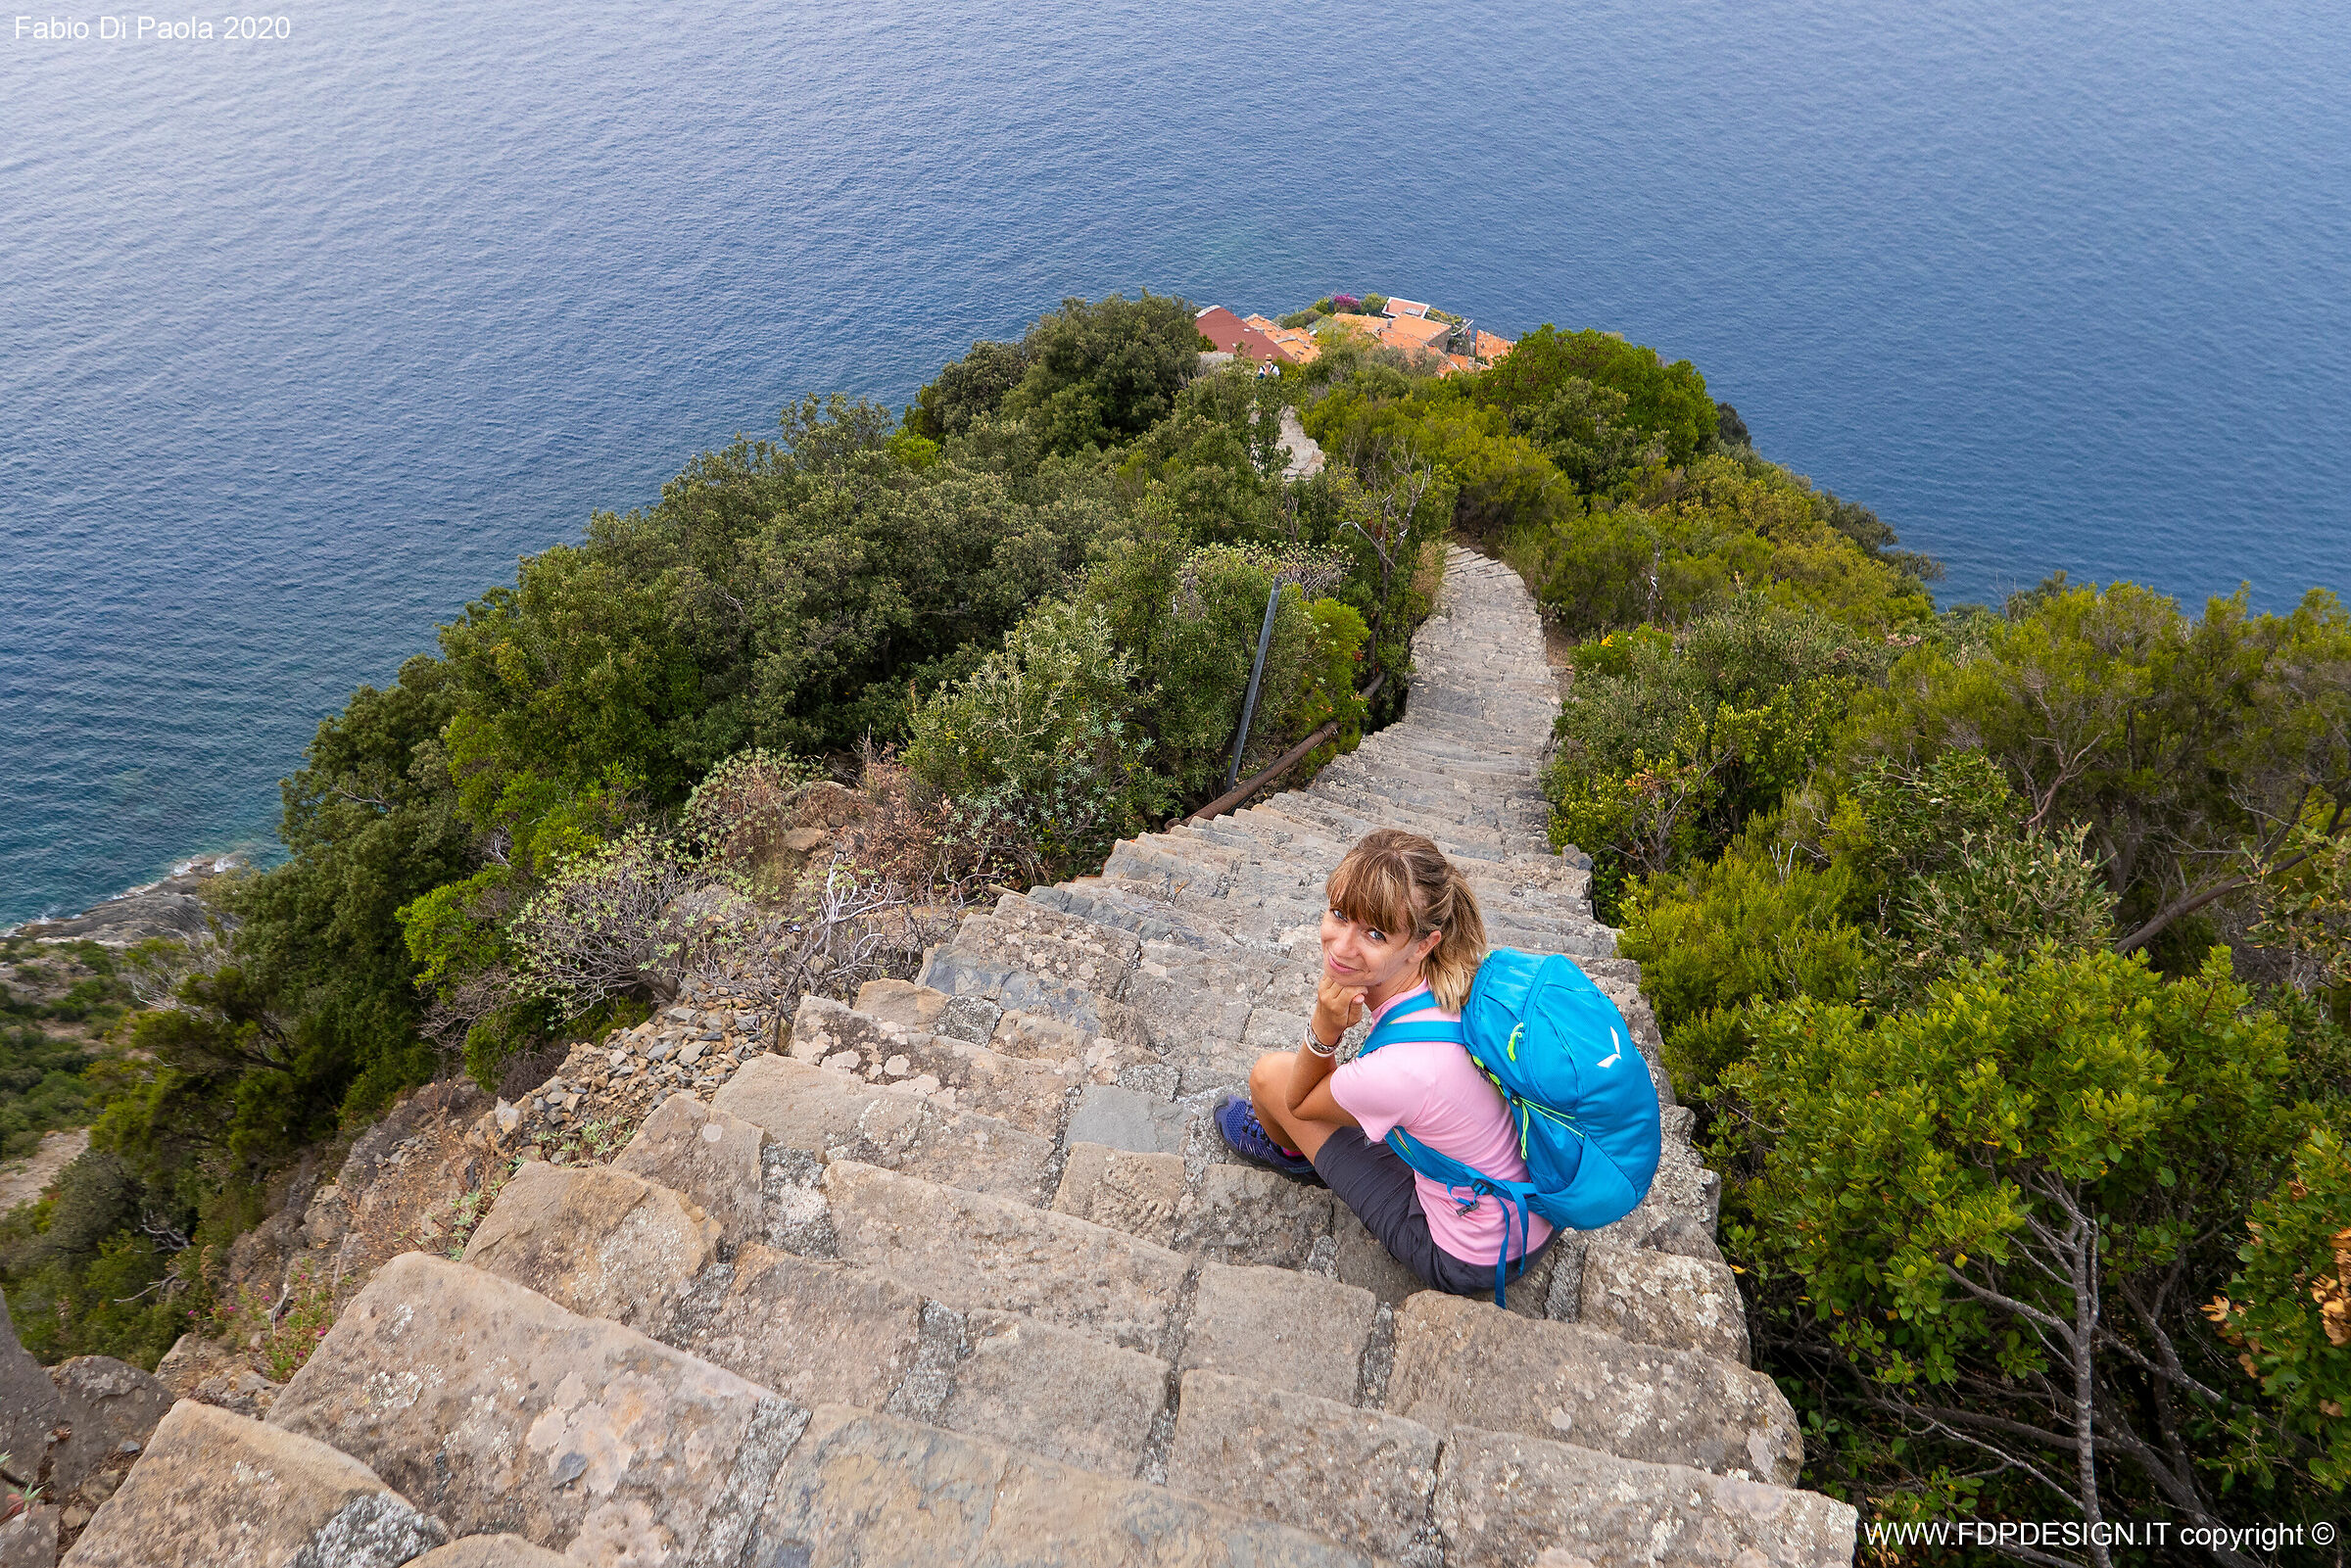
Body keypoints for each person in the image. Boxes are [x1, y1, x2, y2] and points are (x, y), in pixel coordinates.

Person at [1213, 828, 1552, 1296]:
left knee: (1270, 1077)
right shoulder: (1461, 982)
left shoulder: (1401, 1069)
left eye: (1374, 933)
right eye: (1339, 914)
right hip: (1529, 1206)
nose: (1341, 945)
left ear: (1423, 945)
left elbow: (1302, 1101)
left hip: (1471, 1254)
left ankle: (1293, 1155)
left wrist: (1325, 1027)